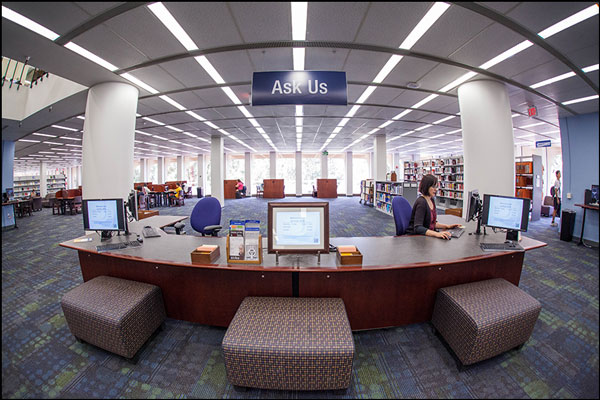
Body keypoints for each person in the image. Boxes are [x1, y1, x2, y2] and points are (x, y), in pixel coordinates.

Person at [406, 174, 461, 239]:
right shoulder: (421, 202)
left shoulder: (431, 199)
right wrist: (437, 234)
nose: (436, 189)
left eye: (436, 187)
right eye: (433, 187)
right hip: (417, 237)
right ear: (426, 187)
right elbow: (418, 228)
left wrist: (447, 226)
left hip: (426, 235)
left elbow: (432, 223)